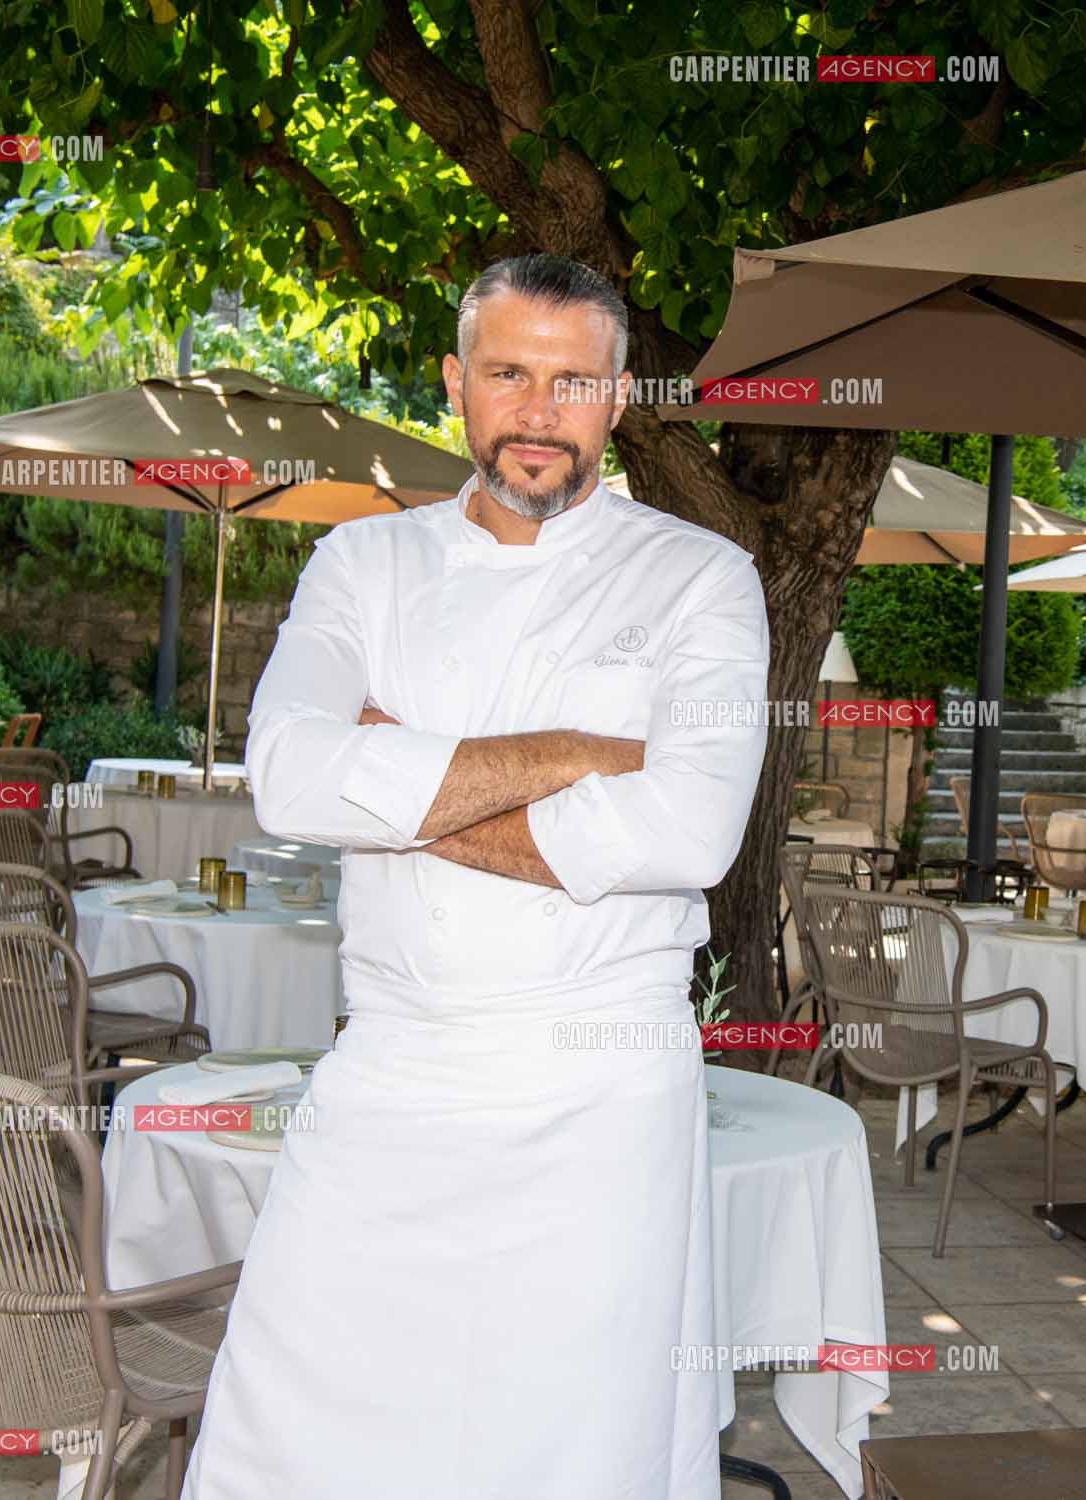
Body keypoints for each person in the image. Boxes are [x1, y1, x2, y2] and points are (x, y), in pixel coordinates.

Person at [181, 252, 768, 1498]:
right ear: (457, 383)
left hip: (600, 1088)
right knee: (303, 1433)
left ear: (619, 398)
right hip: (393, 1066)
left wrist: (392, 789)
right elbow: (289, 779)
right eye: (508, 373)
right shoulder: (362, 566)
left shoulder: (700, 578)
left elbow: (687, 833)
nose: (537, 411)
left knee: (572, 1444)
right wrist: (567, 757)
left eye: (573, 381)